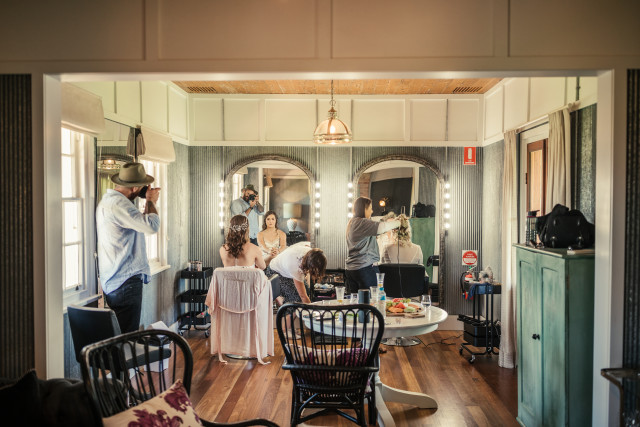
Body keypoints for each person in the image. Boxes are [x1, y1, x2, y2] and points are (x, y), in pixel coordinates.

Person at [96, 162, 161, 333]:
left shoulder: (107, 202)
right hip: (125, 282)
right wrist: (151, 201)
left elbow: (141, 224)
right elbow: (152, 226)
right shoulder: (120, 205)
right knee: (127, 339)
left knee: (120, 337)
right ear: (135, 188)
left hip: (114, 280)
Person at [345, 197, 400, 294]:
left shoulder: (352, 222)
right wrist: (399, 222)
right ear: (364, 209)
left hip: (351, 270)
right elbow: (381, 227)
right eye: (370, 208)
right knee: (373, 299)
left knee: (356, 301)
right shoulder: (362, 222)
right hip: (365, 268)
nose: (372, 211)